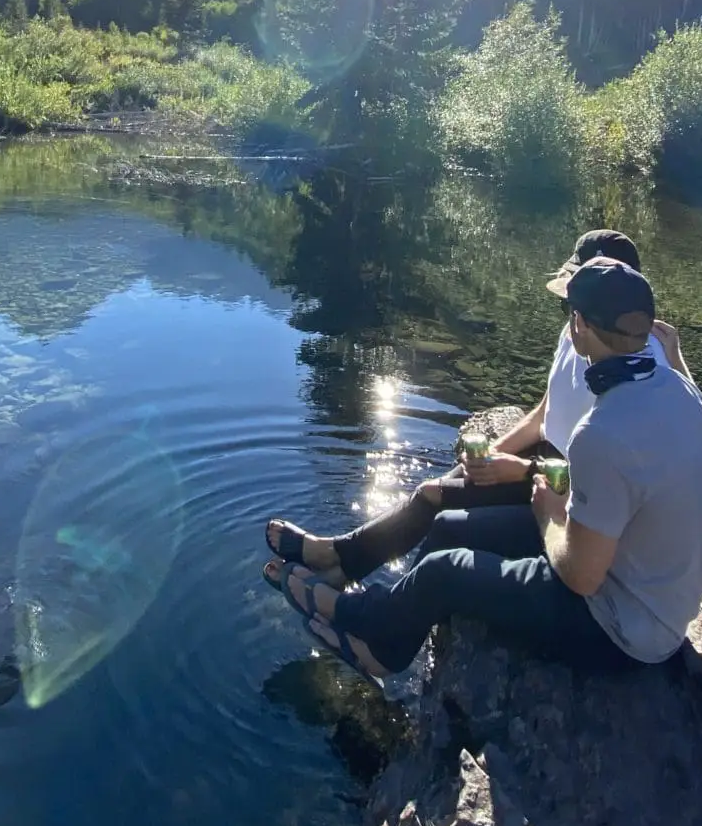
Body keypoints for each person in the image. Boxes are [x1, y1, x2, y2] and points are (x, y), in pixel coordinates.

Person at [262, 256, 702, 684]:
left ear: (580, 325)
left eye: (571, 317)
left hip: (622, 623)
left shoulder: (602, 433)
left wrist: (547, 512)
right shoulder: (677, 386)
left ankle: (362, 619)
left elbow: (581, 576)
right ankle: (388, 642)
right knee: (445, 525)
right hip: (632, 569)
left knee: (445, 572)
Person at [266, 228, 679, 587]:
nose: (568, 310)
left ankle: (337, 560)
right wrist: (494, 451)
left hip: (564, 489)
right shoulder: (575, 336)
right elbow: (543, 415)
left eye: (577, 297)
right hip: (545, 467)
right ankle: (341, 565)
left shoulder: (638, 371)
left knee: (431, 495)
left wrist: (522, 471)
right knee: (449, 481)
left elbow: (625, 476)